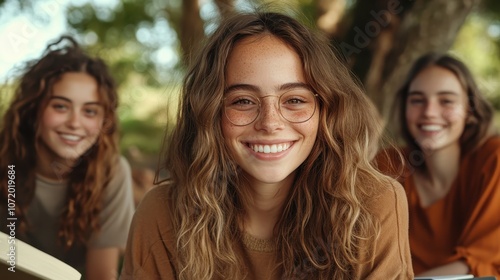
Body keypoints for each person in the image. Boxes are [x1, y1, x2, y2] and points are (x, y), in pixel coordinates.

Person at [121, 10, 413, 280]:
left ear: (327, 112)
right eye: (243, 101)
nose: (270, 123)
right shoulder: (163, 212)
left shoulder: (373, 204)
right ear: (209, 114)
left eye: (295, 100)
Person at [0, 36, 135, 279]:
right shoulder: (4, 159)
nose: (75, 123)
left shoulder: (110, 171)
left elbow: (101, 275)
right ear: (33, 110)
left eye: (90, 111)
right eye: (61, 106)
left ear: (104, 120)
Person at [376, 53, 500, 277]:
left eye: (446, 101)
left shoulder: (494, 160)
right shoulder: (389, 165)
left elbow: (482, 261)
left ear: (470, 111)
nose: (429, 112)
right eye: (417, 100)